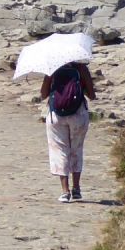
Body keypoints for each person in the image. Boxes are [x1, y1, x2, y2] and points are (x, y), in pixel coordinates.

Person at [40, 58, 97, 203]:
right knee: (76, 149)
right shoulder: (81, 68)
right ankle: (76, 188)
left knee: (59, 150)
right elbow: (92, 95)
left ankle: (65, 191)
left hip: (56, 115)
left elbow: (43, 94)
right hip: (78, 114)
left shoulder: (52, 68)